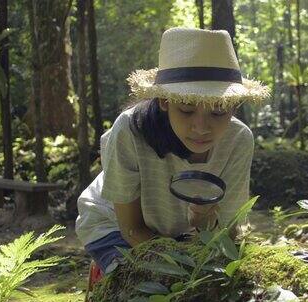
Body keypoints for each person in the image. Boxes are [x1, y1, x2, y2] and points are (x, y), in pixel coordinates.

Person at [75, 27, 270, 280]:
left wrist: (205, 222)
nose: (201, 128)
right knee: (137, 289)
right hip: (112, 226)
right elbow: (131, 228)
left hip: (176, 230)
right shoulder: (129, 130)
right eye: (187, 110)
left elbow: (228, 230)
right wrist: (179, 266)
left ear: (234, 106)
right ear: (164, 101)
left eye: (219, 111)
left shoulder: (239, 140)